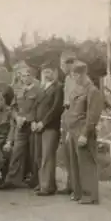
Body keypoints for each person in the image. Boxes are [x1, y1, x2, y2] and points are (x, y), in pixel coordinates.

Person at [65, 61, 103, 205]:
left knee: (86, 163)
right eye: (73, 75)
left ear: (82, 74)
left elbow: (93, 115)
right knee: (75, 163)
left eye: (75, 75)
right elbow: (71, 111)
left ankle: (90, 195)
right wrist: (69, 131)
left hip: (82, 130)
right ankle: (78, 192)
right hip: (73, 130)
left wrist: (85, 134)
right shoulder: (77, 89)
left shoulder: (92, 91)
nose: (74, 78)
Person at [0, 66, 41, 190]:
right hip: (20, 125)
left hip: (33, 125)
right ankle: (12, 179)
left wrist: (28, 119)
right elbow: (13, 107)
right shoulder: (19, 91)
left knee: (34, 153)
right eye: (22, 76)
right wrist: (17, 117)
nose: (25, 78)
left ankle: (35, 180)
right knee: (17, 151)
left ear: (33, 76)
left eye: (28, 75)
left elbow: (39, 108)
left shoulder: (39, 90)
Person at [32, 60, 64, 196]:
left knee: (47, 156)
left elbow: (56, 109)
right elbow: (34, 106)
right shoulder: (41, 87)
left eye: (49, 72)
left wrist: (43, 123)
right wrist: (33, 121)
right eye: (44, 72)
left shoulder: (58, 88)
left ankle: (47, 186)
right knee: (38, 156)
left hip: (50, 127)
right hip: (37, 126)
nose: (46, 74)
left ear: (55, 73)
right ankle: (42, 183)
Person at [56, 52, 77, 195]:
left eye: (62, 64)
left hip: (75, 117)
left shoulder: (77, 78)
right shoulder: (68, 79)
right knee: (67, 152)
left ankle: (77, 186)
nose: (61, 67)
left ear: (69, 63)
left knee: (75, 152)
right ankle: (70, 183)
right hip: (66, 115)